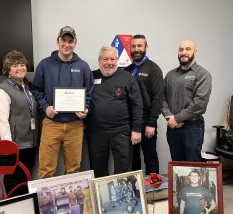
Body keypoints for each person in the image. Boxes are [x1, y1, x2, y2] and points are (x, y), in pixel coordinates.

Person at [32, 26, 94, 179]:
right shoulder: (45, 64)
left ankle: (71, 203)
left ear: (75, 43)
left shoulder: (83, 66)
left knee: (73, 169)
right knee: (46, 169)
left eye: (70, 41)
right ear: (57, 41)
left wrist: (85, 108)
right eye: (63, 40)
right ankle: (45, 203)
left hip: (75, 125)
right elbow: (37, 90)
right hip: (51, 123)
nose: (67, 44)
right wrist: (46, 108)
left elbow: (89, 92)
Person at [86, 46, 143, 178]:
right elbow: (83, 98)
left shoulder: (127, 78)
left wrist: (136, 129)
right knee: (97, 169)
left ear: (117, 60)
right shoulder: (91, 76)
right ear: (99, 60)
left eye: (112, 59)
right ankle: (102, 198)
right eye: (105, 59)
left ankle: (122, 198)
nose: (109, 62)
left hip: (121, 132)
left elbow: (137, 104)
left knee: (123, 170)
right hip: (96, 133)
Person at [0, 50, 40, 197]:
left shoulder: (29, 86)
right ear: (8, 70)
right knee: (13, 179)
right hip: (15, 145)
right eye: (15, 66)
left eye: (22, 64)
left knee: (26, 178)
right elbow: (2, 121)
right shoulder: (2, 90)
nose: (20, 68)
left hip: (31, 143)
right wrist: (8, 147)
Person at [161, 40, 212, 161]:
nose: (184, 52)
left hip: (192, 128)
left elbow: (200, 104)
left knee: (192, 168)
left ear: (195, 51)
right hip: (172, 127)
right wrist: (169, 117)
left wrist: (177, 118)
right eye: (181, 49)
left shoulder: (203, 74)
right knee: (176, 166)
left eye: (188, 49)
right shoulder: (170, 75)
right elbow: (161, 98)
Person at [124, 34, 164, 174]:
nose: (136, 49)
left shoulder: (154, 69)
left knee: (150, 157)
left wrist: (151, 123)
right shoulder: (126, 70)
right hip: (130, 122)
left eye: (140, 46)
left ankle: (154, 189)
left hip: (147, 122)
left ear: (146, 47)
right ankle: (138, 189)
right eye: (133, 46)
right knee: (133, 158)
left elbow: (158, 98)